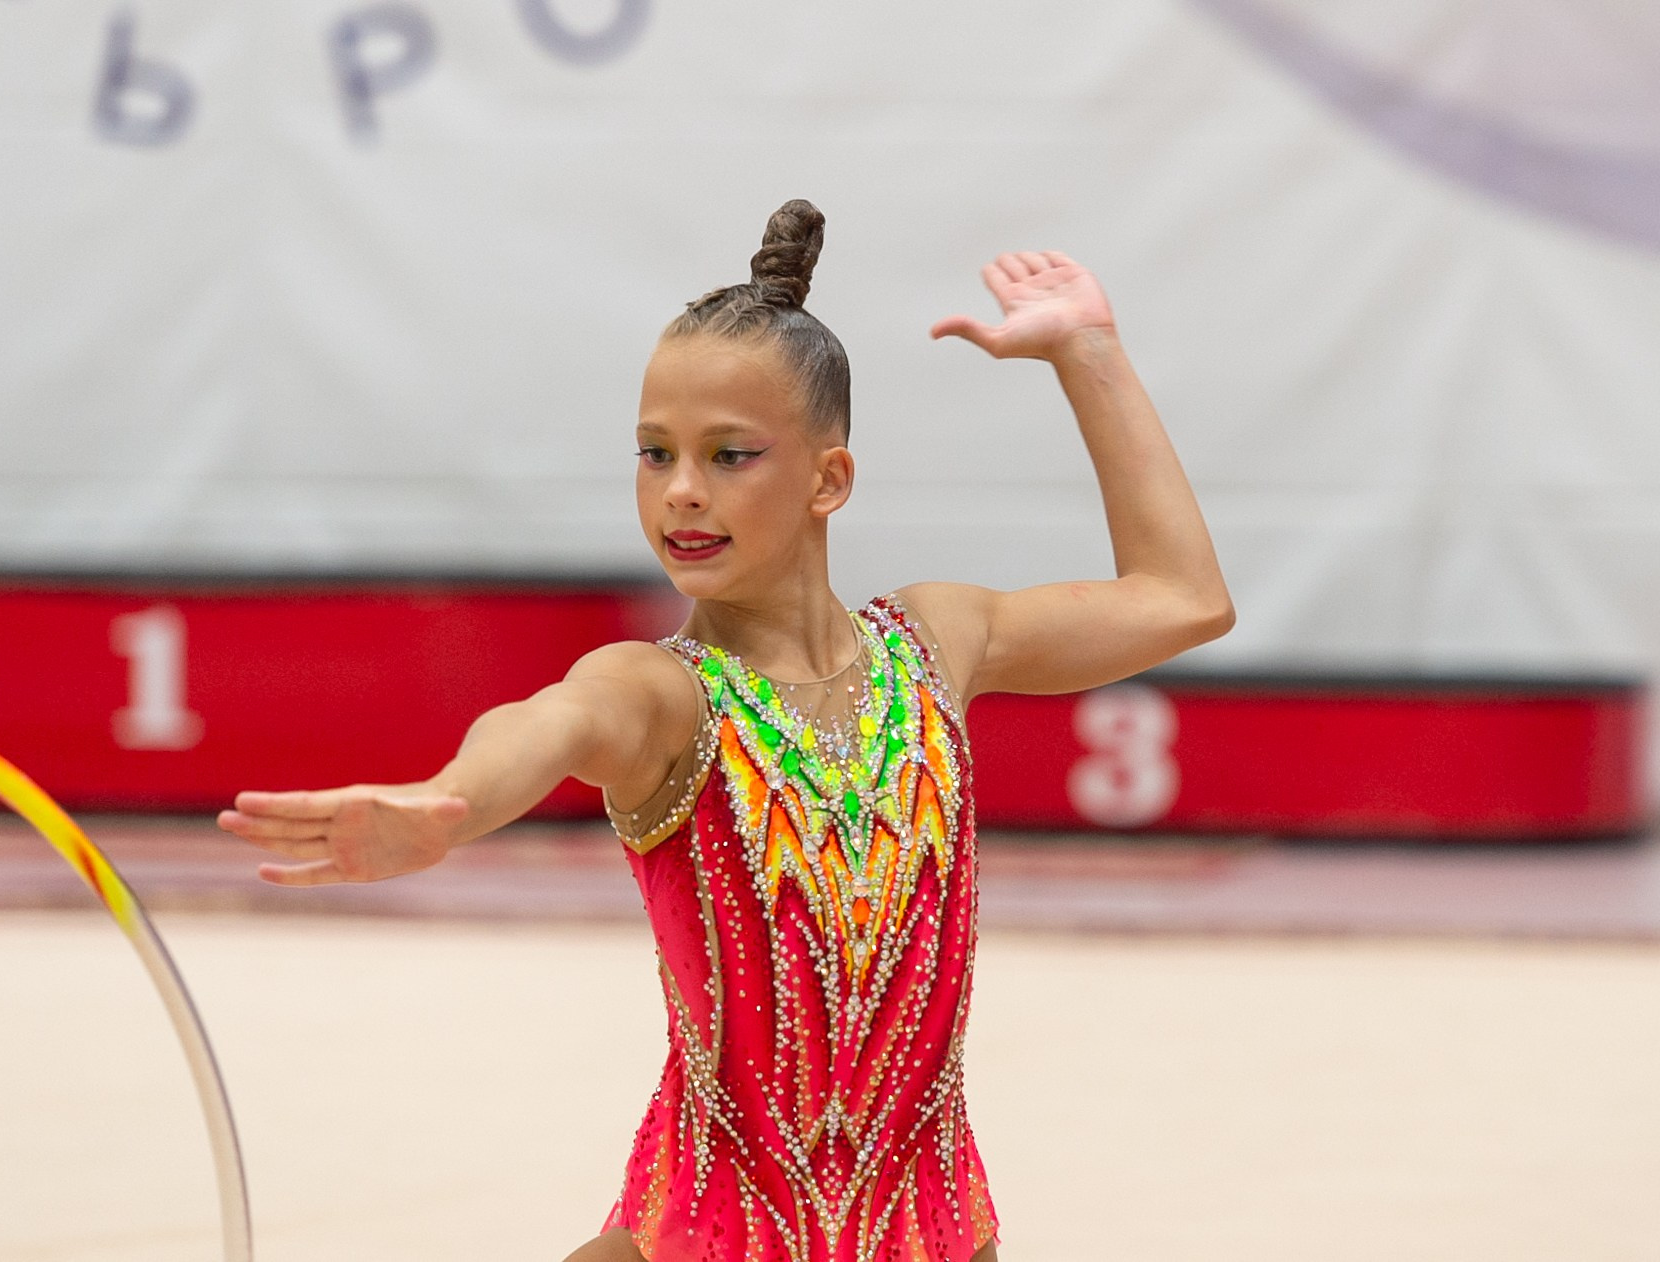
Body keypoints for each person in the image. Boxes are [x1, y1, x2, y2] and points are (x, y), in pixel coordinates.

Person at [216, 199, 1234, 1262]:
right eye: (653, 454)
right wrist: (452, 801)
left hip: (926, 1232)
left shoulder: (940, 639)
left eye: (730, 454)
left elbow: (1181, 596)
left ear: (828, 478)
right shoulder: (666, 695)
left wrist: (1088, 350)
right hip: (710, 1233)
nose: (682, 493)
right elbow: (551, 720)